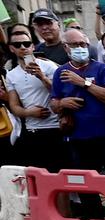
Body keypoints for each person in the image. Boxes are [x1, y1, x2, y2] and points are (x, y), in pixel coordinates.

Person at [50, 27, 105, 178]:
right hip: (77, 138)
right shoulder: (60, 72)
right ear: (66, 47)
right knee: (85, 186)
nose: (79, 48)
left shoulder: (102, 68)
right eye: (74, 45)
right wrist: (62, 103)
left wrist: (83, 83)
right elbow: (53, 104)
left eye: (82, 44)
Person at [6, 25, 67, 171]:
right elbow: (14, 105)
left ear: (33, 46)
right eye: (17, 44)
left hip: (55, 128)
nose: (23, 47)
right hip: (33, 131)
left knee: (60, 177)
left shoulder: (49, 67)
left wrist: (42, 77)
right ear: (11, 49)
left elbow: (61, 93)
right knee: (40, 179)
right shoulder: (11, 74)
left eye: (26, 44)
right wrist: (29, 113)